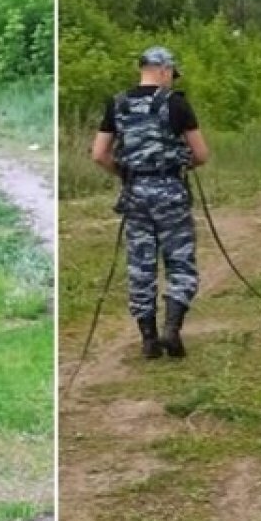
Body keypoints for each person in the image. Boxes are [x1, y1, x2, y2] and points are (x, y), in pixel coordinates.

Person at [90, 46, 210, 359]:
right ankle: (172, 329)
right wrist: (177, 166)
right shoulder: (176, 104)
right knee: (180, 263)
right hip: (170, 193)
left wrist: (127, 174)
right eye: (171, 73)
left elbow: (99, 154)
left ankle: (148, 339)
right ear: (163, 70)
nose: (171, 79)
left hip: (135, 195)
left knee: (141, 266)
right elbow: (201, 154)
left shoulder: (117, 104)